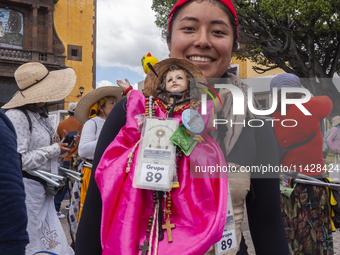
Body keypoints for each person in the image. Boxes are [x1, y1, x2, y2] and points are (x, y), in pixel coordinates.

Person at [76, 1, 290, 255]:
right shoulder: (131, 113)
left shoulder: (253, 119)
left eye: (218, 32)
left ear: (233, 46)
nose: (202, 41)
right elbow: (93, 220)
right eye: (189, 28)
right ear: (169, 41)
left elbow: (268, 227)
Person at [95, 58, 230, 254]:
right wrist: (129, 91)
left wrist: (218, 101)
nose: (174, 81)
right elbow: (138, 107)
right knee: (134, 181)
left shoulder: (193, 107)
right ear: (162, 85)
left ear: (188, 83)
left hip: (184, 158)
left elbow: (204, 121)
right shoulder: (154, 105)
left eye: (179, 78)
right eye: (169, 79)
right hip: (154, 156)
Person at [2, 62, 77, 255]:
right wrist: (53, 149)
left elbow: (43, 151)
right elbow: (18, 160)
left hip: (44, 191)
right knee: (30, 241)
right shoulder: (17, 116)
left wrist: (61, 147)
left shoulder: (39, 115)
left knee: (47, 243)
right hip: (28, 193)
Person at [270, 73, 333, 255]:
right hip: (314, 185)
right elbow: (327, 101)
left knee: (290, 234)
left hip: (286, 187)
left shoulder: (271, 117)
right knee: (316, 235)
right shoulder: (311, 107)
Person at [74, 86, 121, 219]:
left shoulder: (114, 124)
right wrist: (108, 140)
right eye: (112, 103)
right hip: (92, 172)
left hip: (109, 172)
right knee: (92, 213)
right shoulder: (92, 123)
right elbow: (83, 150)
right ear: (102, 107)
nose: (115, 105)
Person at [0, 110, 29, 255]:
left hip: (43, 190)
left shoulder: (42, 117)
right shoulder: (17, 115)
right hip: (30, 185)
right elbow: (22, 158)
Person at [54, 101, 83, 219]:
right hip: (79, 158)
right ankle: (72, 206)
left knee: (63, 184)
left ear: (68, 111)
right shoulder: (83, 123)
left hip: (66, 158)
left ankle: (56, 208)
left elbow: (57, 140)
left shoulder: (61, 124)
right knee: (76, 184)